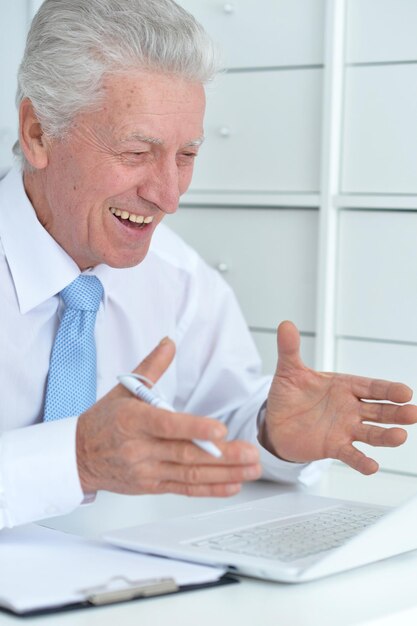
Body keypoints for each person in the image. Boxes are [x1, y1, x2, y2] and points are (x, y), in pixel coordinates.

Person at [0, 0, 416, 530]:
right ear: (38, 133)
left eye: (187, 155)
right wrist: (74, 460)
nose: (168, 196)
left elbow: (218, 420)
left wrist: (270, 432)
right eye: (136, 153)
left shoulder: (178, 278)